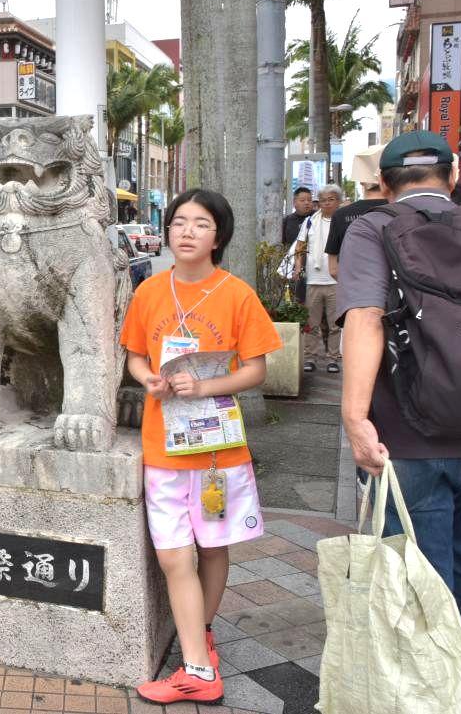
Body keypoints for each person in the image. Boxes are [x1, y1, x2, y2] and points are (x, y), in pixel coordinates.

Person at [122, 189, 281, 705]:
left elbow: (257, 369)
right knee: (174, 558)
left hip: (216, 451)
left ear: (219, 236)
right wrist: (149, 378)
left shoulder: (237, 294)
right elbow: (134, 357)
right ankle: (198, 662)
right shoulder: (148, 291)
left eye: (201, 224)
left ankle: (199, 643)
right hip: (163, 449)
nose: (187, 232)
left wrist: (204, 387)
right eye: (179, 222)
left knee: (213, 548)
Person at [338, 130, 461, 641]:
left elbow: (366, 319)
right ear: (453, 175)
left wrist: (355, 418)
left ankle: (432, 689)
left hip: (407, 435)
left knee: (420, 575)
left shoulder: (373, 228)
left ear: (385, 185)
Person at [294, 184, 342, 374]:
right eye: (322, 200)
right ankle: (311, 357)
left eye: (331, 199)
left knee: (335, 324)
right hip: (313, 280)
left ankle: (333, 358)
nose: (326, 203)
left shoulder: (343, 222)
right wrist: (298, 266)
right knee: (311, 324)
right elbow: (300, 246)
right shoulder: (310, 222)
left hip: (336, 281)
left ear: (338, 201)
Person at [326, 145, 387, 280]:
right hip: (395, 295)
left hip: (354, 293)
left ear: (361, 182)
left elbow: (333, 269)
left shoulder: (341, 215)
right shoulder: (401, 210)